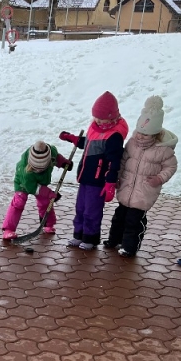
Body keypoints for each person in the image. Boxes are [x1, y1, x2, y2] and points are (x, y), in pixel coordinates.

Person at [104, 96, 178, 257]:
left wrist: (159, 178)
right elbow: (123, 160)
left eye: (145, 135)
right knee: (119, 217)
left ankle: (129, 246)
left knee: (134, 221)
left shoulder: (163, 150)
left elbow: (171, 166)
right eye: (139, 132)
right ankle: (114, 240)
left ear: (155, 134)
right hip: (127, 187)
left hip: (144, 191)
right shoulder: (132, 143)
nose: (140, 137)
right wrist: (117, 176)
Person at [59, 91, 129, 250]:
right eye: (96, 116)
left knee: (92, 211)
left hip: (98, 181)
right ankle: (79, 235)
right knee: (81, 208)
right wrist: (74, 139)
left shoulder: (114, 136)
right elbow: (89, 144)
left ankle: (90, 238)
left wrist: (110, 181)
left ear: (111, 117)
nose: (97, 120)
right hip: (85, 176)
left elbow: (114, 160)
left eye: (101, 118)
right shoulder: (94, 127)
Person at [2, 140, 72, 241]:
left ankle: (47, 224)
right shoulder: (25, 171)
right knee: (19, 202)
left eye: (41, 169)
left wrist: (63, 163)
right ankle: (8, 229)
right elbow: (33, 188)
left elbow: (56, 158)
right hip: (23, 183)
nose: (38, 171)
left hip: (42, 180)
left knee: (45, 202)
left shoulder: (51, 151)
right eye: (36, 169)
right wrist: (49, 193)